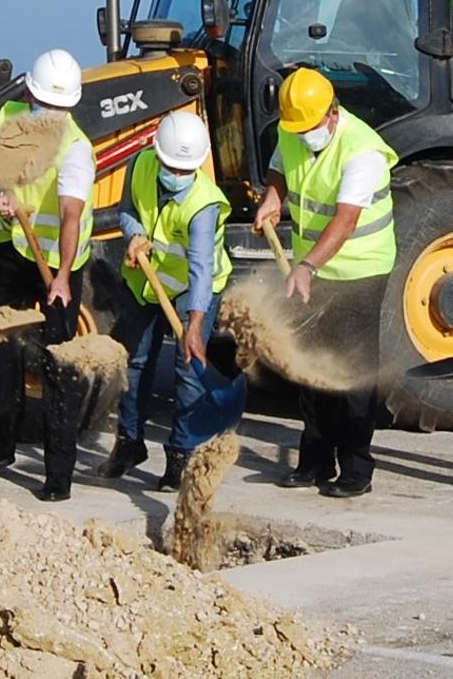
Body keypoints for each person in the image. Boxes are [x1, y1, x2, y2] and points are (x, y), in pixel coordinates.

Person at [0, 49, 95, 502]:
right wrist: (0, 199)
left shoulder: (76, 148)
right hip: (15, 252)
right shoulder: (12, 117)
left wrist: (62, 278)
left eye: (55, 108)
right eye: (41, 102)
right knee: (1, 349)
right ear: (29, 93)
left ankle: (58, 473)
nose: (45, 113)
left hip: (58, 264)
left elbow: (71, 216)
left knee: (58, 364)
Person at [253, 67, 398, 498]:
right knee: (310, 365)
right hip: (311, 268)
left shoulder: (363, 151)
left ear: (333, 114)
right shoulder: (294, 127)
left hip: (359, 269)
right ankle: (314, 460)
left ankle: (356, 467)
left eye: (311, 128)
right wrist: (272, 199)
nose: (303, 135)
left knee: (351, 369)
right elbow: (281, 168)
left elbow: (346, 219)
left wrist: (307, 267)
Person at [98, 112, 232, 491]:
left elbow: (202, 268)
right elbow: (126, 210)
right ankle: (128, 442)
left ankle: (180, 456)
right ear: (157, 156)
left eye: (184, 169)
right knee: (135, 361)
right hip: (145, 280)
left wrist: (193, 326)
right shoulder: (139, 164)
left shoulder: (204, 204)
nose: (176, 175)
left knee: (188, 369)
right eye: (171, 166)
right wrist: (135, 234)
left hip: (194, 288)